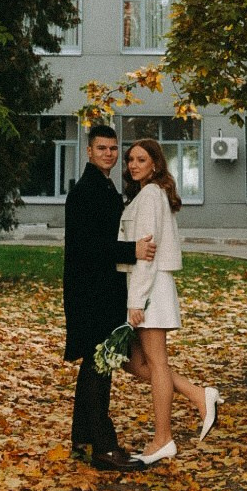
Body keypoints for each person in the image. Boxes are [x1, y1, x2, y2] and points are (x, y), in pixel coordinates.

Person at [119, 137, 221, 465]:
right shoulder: (148, 194)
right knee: (134, 362)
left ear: (156, 164)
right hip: (148, 288)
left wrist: (136, 302)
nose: (134, 165)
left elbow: (146, 254)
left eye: (141, 159)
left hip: (150, 289)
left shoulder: (151, 195)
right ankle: (197, 394)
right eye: (131, 159)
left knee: (156, 363)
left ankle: (163, 439)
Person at [63, 121, 156, 471]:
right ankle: (103, 448)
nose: (109, 154)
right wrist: (133, 250)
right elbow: (88, 247)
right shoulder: (87, 191)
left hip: (98, 291)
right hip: (91, 294)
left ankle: (83, 439)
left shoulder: (102, 187)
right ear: (89, 151)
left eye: (114, 148)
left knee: (95, 365)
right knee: (99, 369)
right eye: (102, 148)